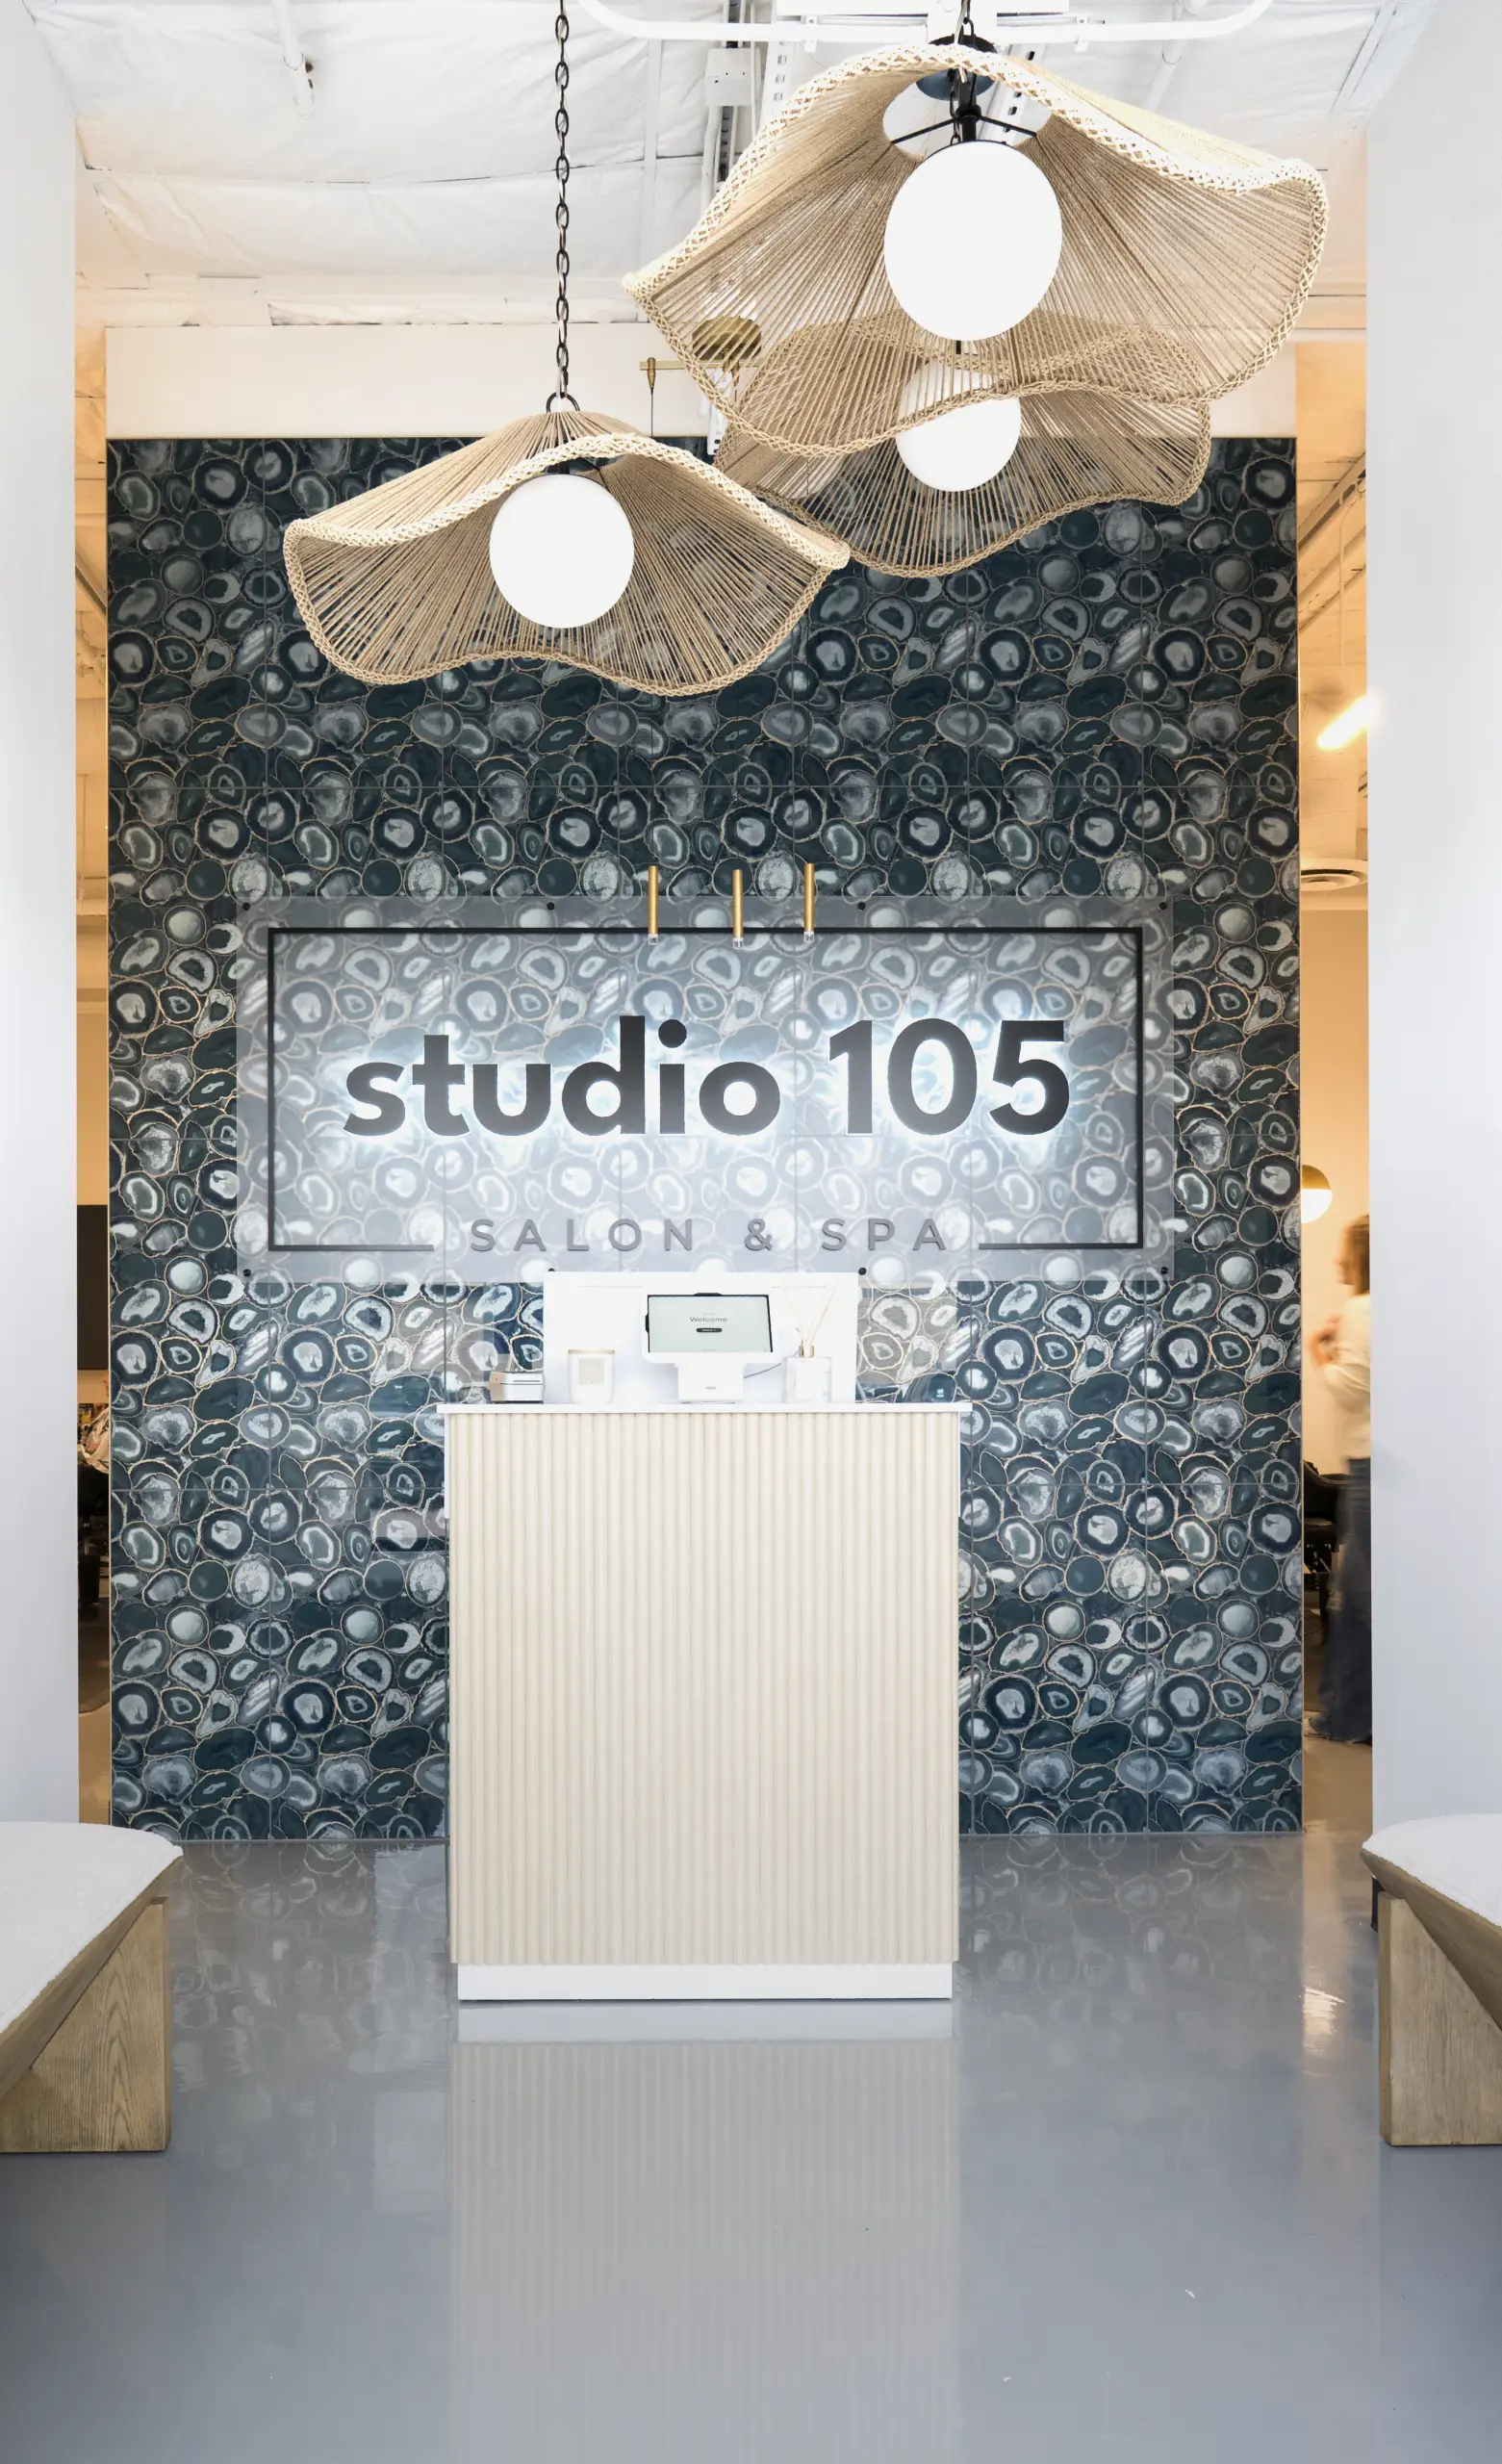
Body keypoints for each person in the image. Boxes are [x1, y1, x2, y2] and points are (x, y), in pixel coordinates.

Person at [1307, 1216, 1371, 1744]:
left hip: (1370, 1467)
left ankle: (1349, 1719)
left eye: (1343, 1251)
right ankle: (1345, 1717)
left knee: (1359, 1596)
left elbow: (1351, 1390)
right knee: (1354, 1596)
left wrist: (1319, 1349)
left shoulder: (1361, 1310)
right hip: (1375, 1467)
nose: (1335, 1261)